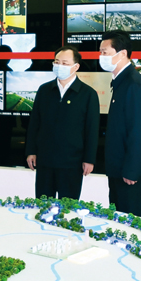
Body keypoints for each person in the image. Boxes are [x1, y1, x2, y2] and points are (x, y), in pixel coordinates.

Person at [26, 45, 100, 200]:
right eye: (57, 62)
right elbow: (34, 124)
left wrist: (89, 159)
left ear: (76, 67)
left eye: (65, 63)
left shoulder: (88, 94)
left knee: (69, 207)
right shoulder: (44, 90)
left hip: (72, 162)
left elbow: (92, 130)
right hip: (45, 160)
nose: (60, 66)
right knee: (43, 205)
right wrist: (31, 151)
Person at [99, 30, 141, 217]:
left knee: (130, 226)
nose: (101, 57)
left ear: (122, 53)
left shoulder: (133, 84)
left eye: (105, 52)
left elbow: (139, 132)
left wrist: (132, 170)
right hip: (119, 170)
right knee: (117, 222)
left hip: (131, 175)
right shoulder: (121, 82)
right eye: (100, 52)